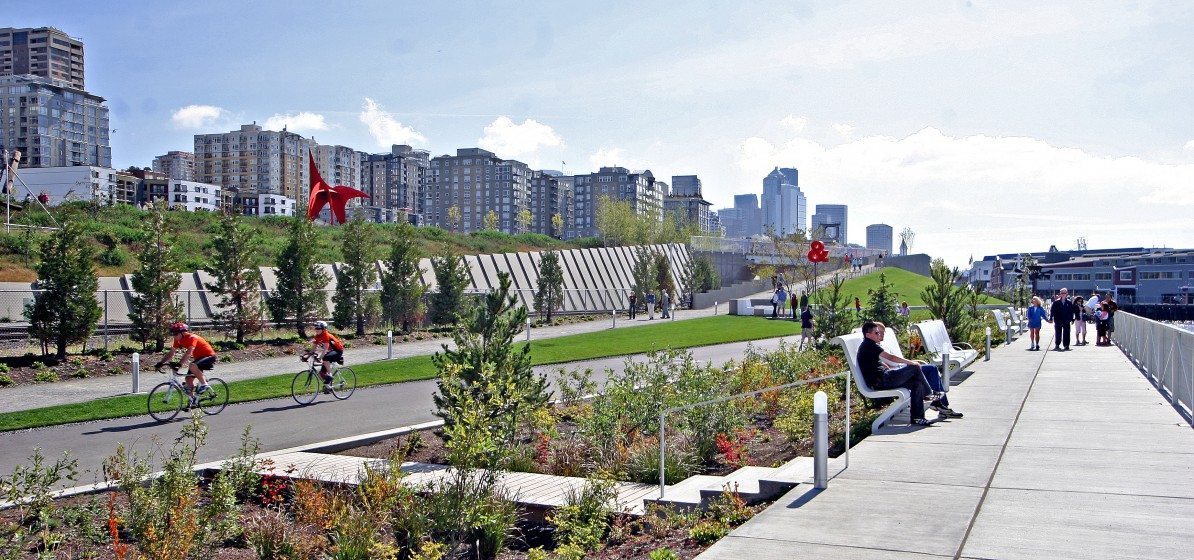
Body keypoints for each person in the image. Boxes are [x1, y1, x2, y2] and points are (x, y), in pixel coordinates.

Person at [857, 321, 935, 426]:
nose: (879, 334)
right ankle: (929, 393)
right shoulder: (869, 345)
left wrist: (885, 366)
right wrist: (910, 362)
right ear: (868, 335)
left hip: (885, 377)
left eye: (879, 332)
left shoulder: (868, 346)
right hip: (882, 381)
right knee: (914, 368)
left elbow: (872, 362)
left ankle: (917, 417)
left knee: (917, 383)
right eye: (876, 333)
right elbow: (890, 357)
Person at [156, 322, 216, 399]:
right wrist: (161, 363)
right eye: (173, 334)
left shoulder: (192, 338)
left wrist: (179, 364)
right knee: (188, 379)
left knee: (192, 365)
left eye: (176, 334)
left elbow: (189, 353)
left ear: (183, 333)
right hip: (198, 359)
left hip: (209, 356)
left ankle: (204, 385)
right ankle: (192, 401)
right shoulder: (177, 340)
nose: (174, 336)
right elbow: (171, 353)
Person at [302, 320, 345, 392]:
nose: (316, 330)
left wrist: (320, 358)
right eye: (315, 328)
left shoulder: (326, 335)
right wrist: (307, 356)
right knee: (322, 373)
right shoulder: (318, 336)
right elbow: (313, 349)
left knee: (325, 358)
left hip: (338, 351)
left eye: (318, 328)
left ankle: (330, 376)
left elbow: (325, 349)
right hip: (330, 352)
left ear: (323, 329)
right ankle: (328, 387)